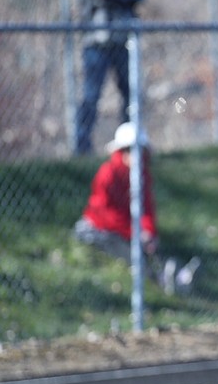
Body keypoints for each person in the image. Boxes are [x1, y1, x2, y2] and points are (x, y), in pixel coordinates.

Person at [72, 123, 197, 294]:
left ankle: (177, 278)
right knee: (132, 254)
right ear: (121, 151)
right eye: (130, 150)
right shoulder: (108, 173)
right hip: (98, 230)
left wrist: (148, 232)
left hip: (127, 230)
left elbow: (147, 208)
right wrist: (136, 232)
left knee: (150, 248)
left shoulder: (142, 175)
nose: (136, 156)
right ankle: (161, 283)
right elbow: (103, 213)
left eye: (140, 150)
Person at [73, 0, 145, 155]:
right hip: (97, 44)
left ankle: (130, 144)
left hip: (123, 43)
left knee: (130, 95)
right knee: (91, 96)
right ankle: (82, 147)